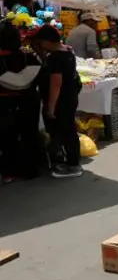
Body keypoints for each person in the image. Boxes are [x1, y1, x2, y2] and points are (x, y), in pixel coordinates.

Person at [27, 25, 83, 178]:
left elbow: (55, 83)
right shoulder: (67, 51)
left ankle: (72, 165)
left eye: (41, 42)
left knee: (64, 131)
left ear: (46, 41)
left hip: (60, 101)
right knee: (69, 130)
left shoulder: (55, 58)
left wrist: (51, 107)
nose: (41, 46)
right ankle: (72, 162)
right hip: (70, 97)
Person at [0, 21, 43, 182]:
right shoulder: (28, 56)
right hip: (28, 100)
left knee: (7, 137)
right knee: (29, 133)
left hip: (4, 104)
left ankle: (8, 172)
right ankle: (30, 169)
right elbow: (40, 76)